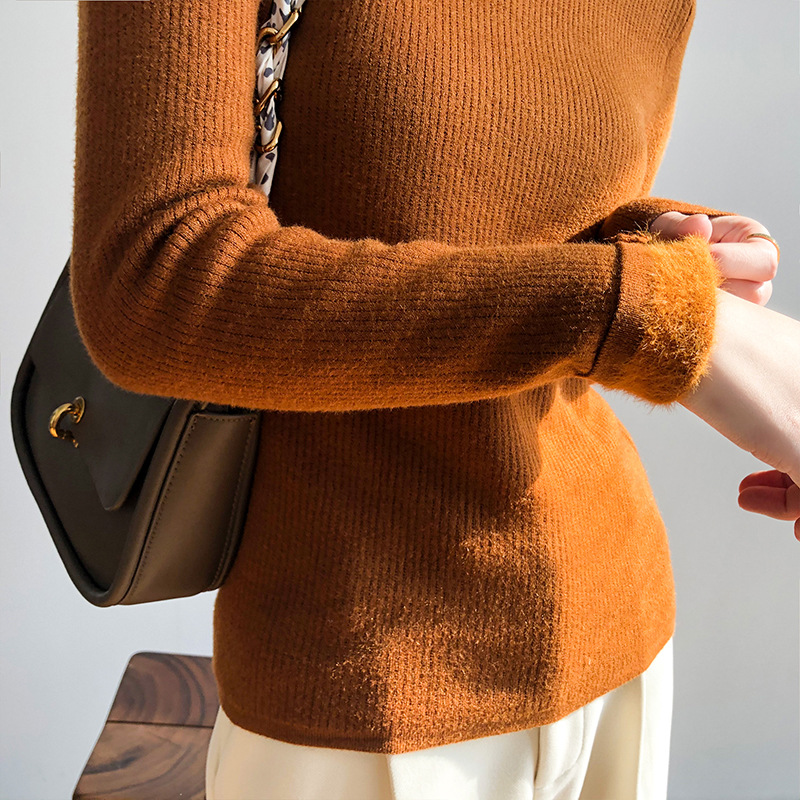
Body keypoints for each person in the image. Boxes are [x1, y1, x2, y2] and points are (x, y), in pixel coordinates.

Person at [69, 0, 800, 798]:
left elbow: (490, 208)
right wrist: (652, 314)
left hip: (620, 635)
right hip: (364, 678)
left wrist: (663, 254)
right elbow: (154, 277)